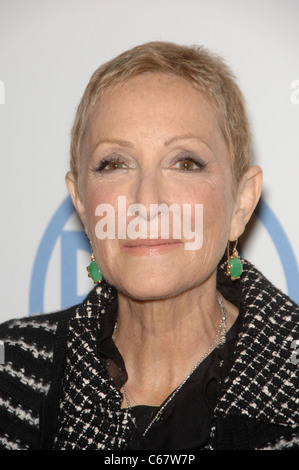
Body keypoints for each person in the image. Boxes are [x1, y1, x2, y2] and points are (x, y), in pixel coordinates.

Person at [0, 41, 298, 451]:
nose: (146, 201)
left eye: (186, 163)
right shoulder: (10, 365)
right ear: (83, 205)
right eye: (114, 163)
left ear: (241, 203)